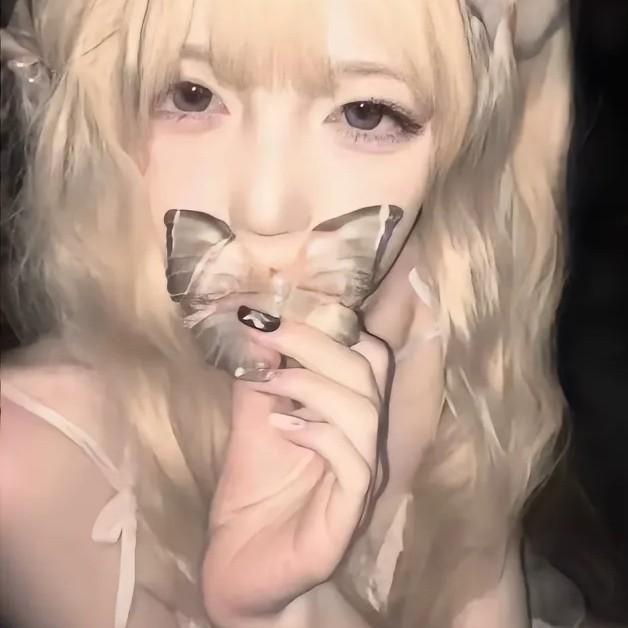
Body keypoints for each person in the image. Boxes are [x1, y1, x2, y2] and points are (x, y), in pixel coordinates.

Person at [0, 0, 572, 626]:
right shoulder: (27, 468)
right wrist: (265, 610)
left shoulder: (441, 309)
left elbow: (479, 582)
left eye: (365, 112)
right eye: (191, 95)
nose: (265, 209)